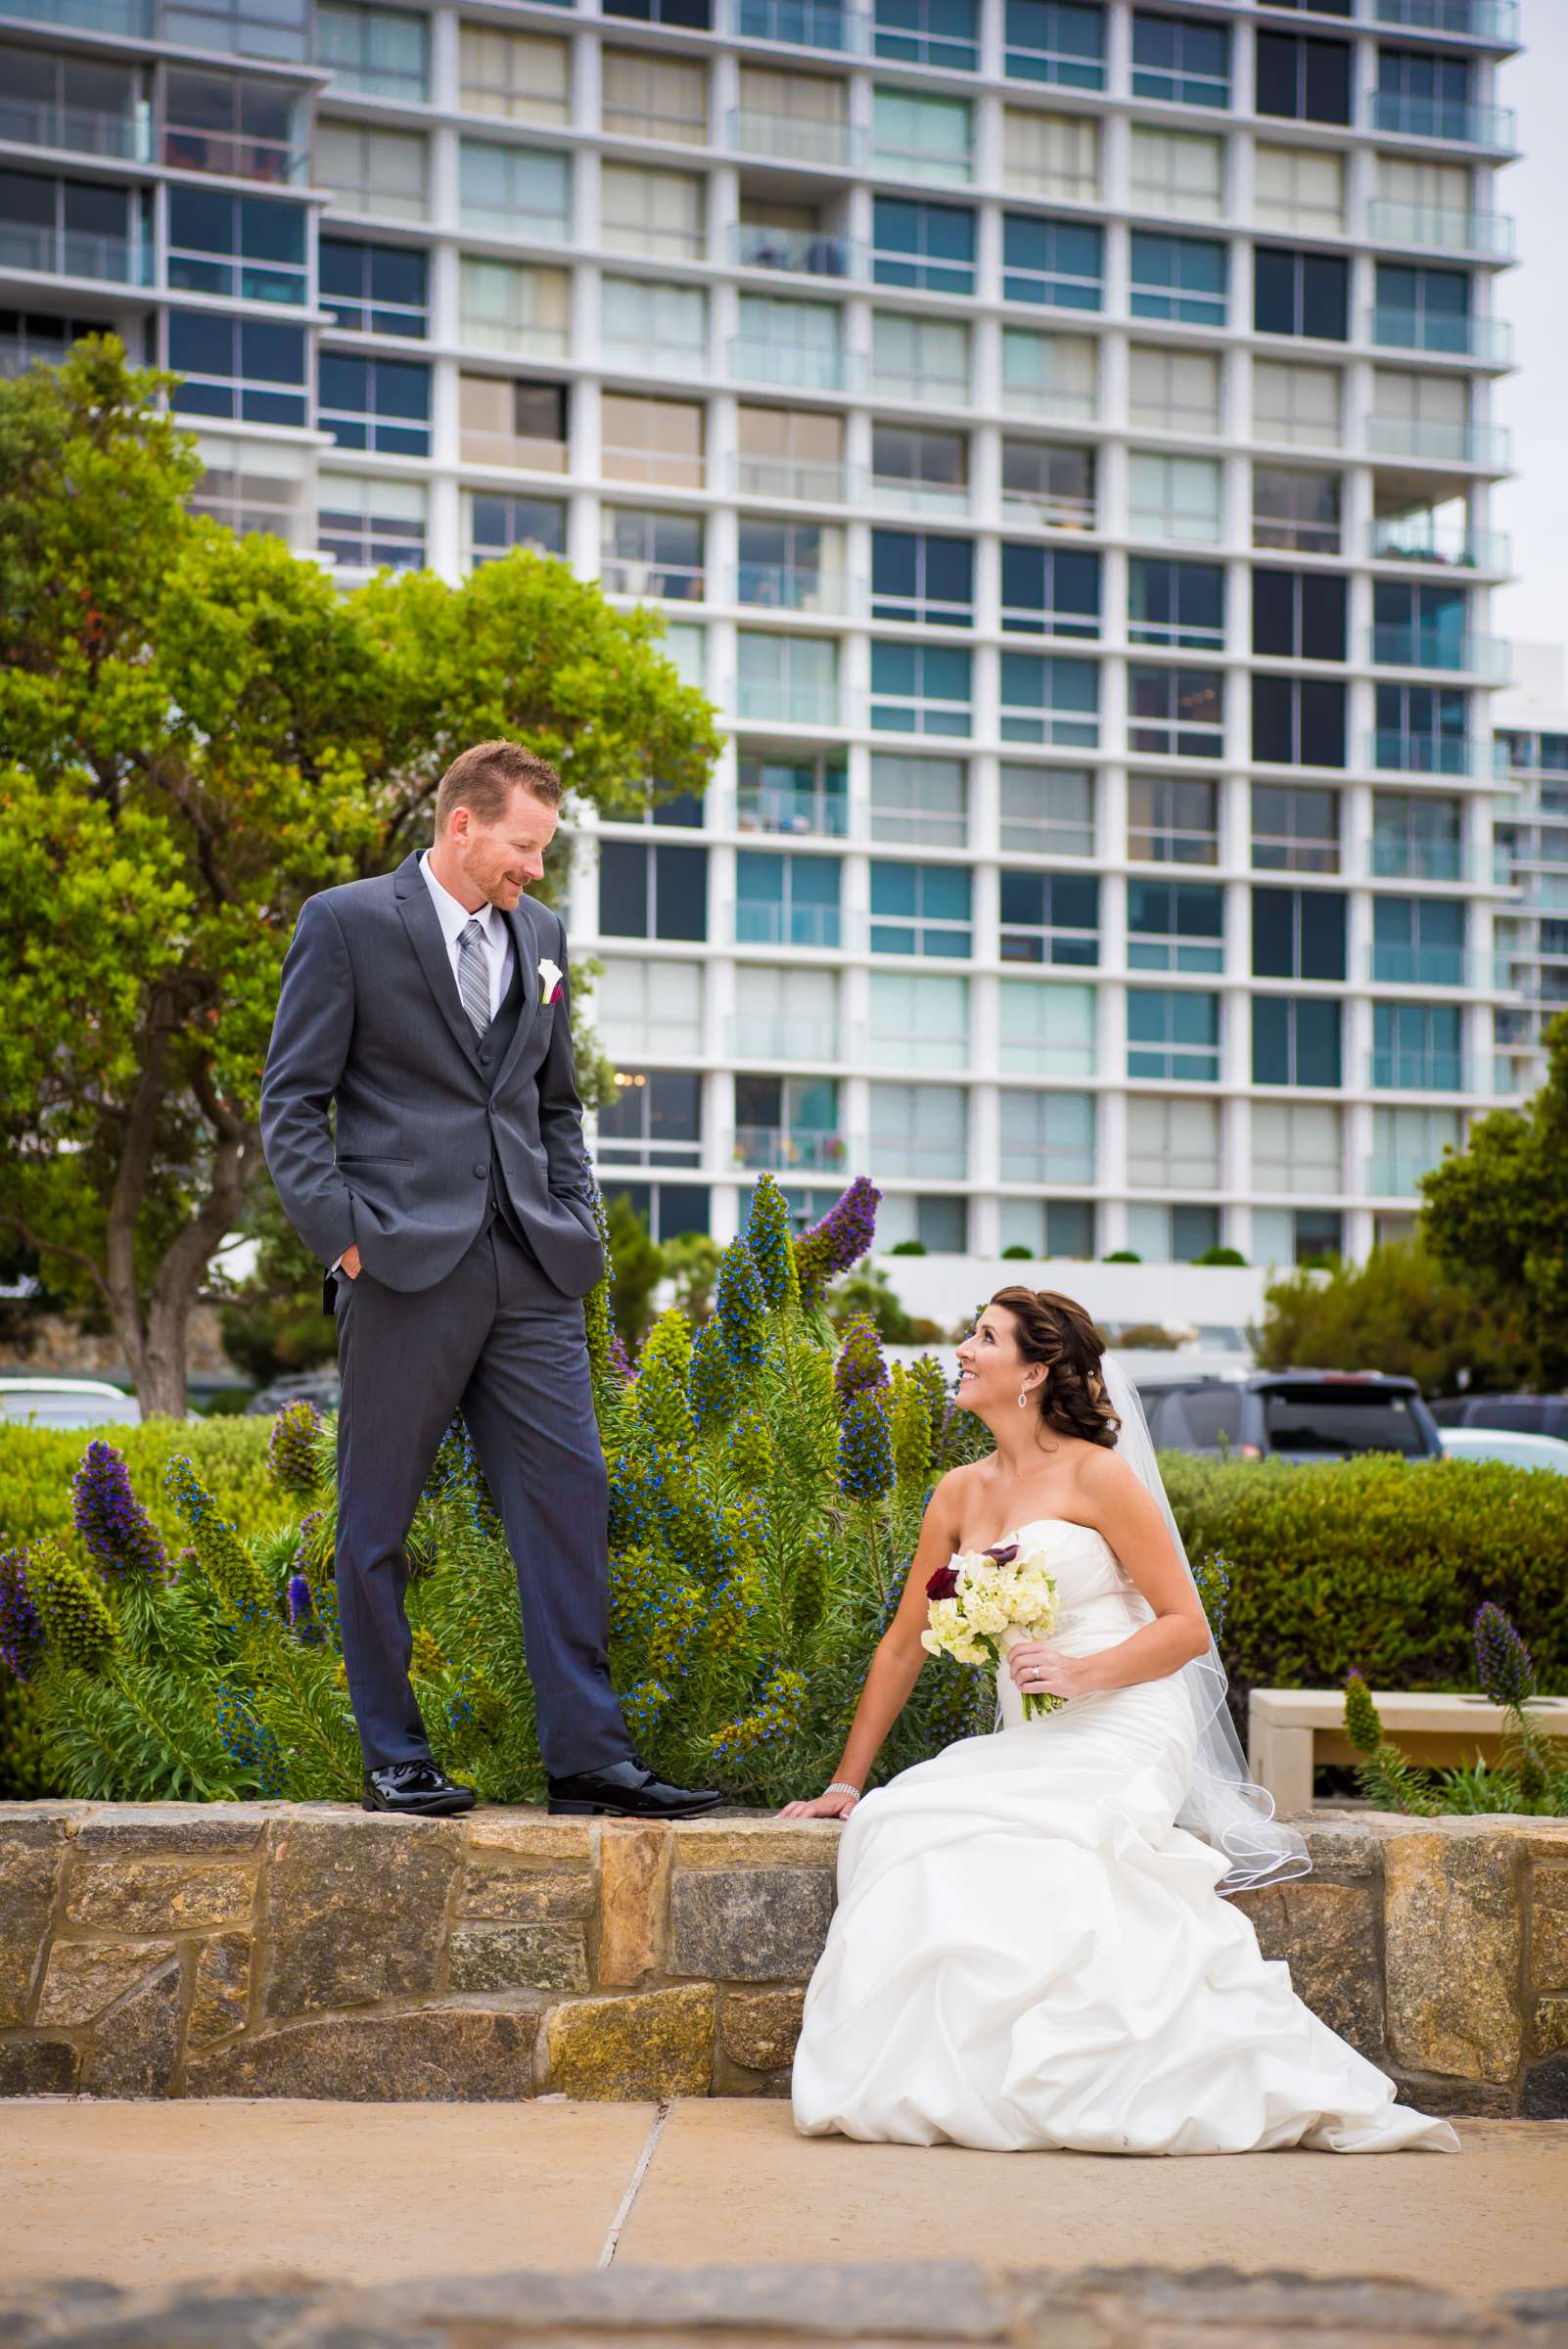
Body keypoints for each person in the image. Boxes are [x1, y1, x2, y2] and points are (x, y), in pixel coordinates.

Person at [781, 1287, 1459, 2156]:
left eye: (983, 1338)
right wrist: (844, 1782)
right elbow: (903, 1646)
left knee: (1055, 1842)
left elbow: (1186, 1626)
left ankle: (1100, 2067)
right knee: (896, 1819)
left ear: (1032, 1372)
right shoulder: (956, 1492)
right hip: (1034, 1730)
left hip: (1127, 1717)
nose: (961, 1349)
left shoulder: (1097, 1474)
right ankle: (959, 2075)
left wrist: (1081, 1671)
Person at [260, 739, 719, 1824]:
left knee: (568, 1508)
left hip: (533, 1269)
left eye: (544, 850)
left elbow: (556, 1104)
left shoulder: (543, 936)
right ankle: (395, 1758)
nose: (536, 871)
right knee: (377, 1522)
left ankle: (590, 1761)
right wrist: (348, 1242)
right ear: (461, 825)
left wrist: (575, 1222)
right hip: (403, 1268)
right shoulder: (347, 923)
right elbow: (292, 1102)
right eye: (523, 846)